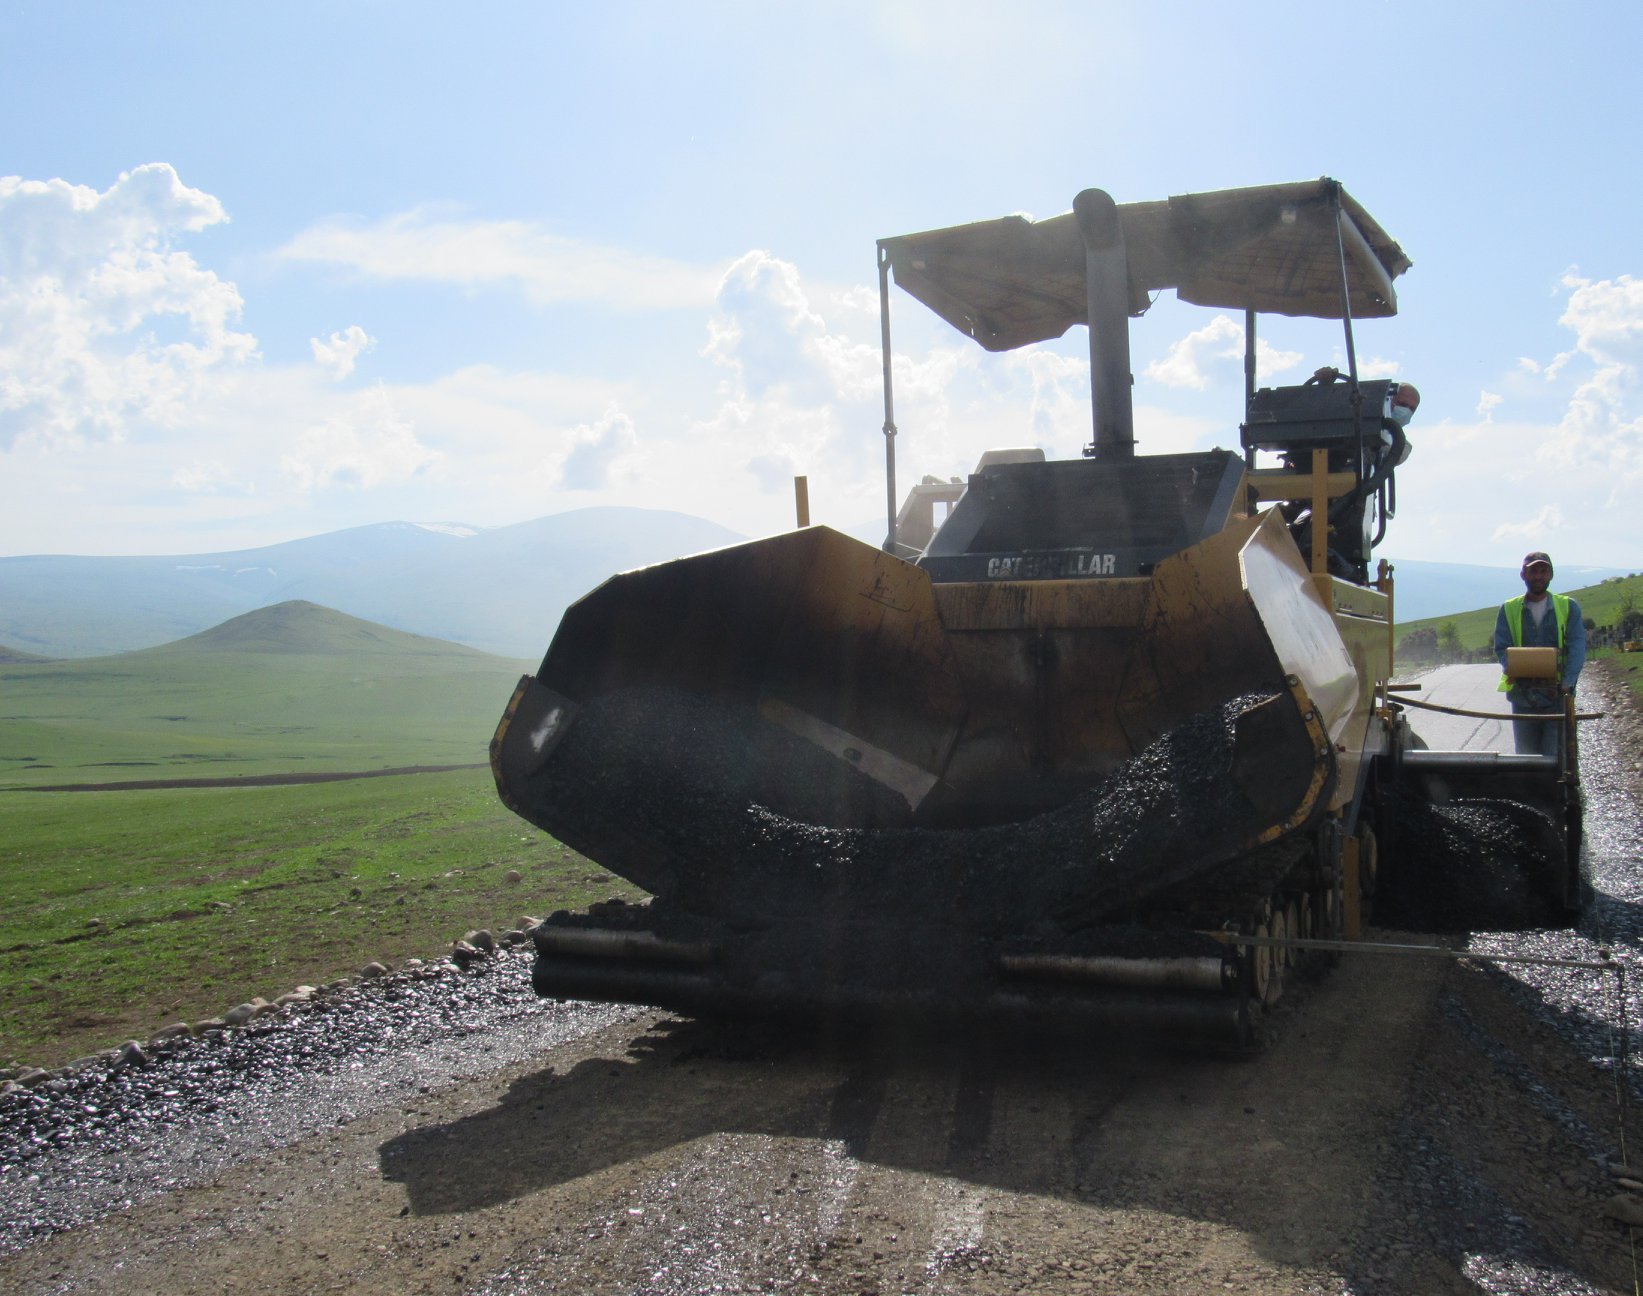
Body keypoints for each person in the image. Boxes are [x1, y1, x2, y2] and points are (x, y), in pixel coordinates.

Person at [1493, 551, 1585, 758]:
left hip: (1557, 697)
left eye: (1543, 571)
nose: (1538, 576)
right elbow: (1501, 648)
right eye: (1533, 571)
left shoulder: (1568, 607)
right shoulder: (1508, 609)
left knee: (1556, 758)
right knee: (1526, 759)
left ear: (1550, 575)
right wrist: (1513, 668)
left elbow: (1577, 648)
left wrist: (1567, 683)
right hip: (1523, 696)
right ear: (1523, 575)